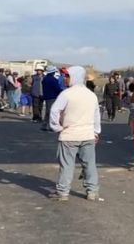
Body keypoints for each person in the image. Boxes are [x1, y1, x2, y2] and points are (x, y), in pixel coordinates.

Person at [48, 66, 101, 201]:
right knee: (89, 164)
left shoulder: (66, 94)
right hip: (88, 135)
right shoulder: (91, 95)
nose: (64, 79)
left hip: (69, 136)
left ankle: (63, 192)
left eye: (67, 76)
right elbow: (96, 116)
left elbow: (54, 111)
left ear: (75, 77)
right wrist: (95, 132)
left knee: (67, 165)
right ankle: (92, 192)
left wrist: (57, 127)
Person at [42, 66, 63, 131]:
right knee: (52, 111)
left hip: (47, 96)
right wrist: (62, 91)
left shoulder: (45, 79)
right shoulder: (53, 80)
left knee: (48, 111)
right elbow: (57, 89)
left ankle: (45, 125)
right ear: (53, 72)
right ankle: (50, 126)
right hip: (53, 97)